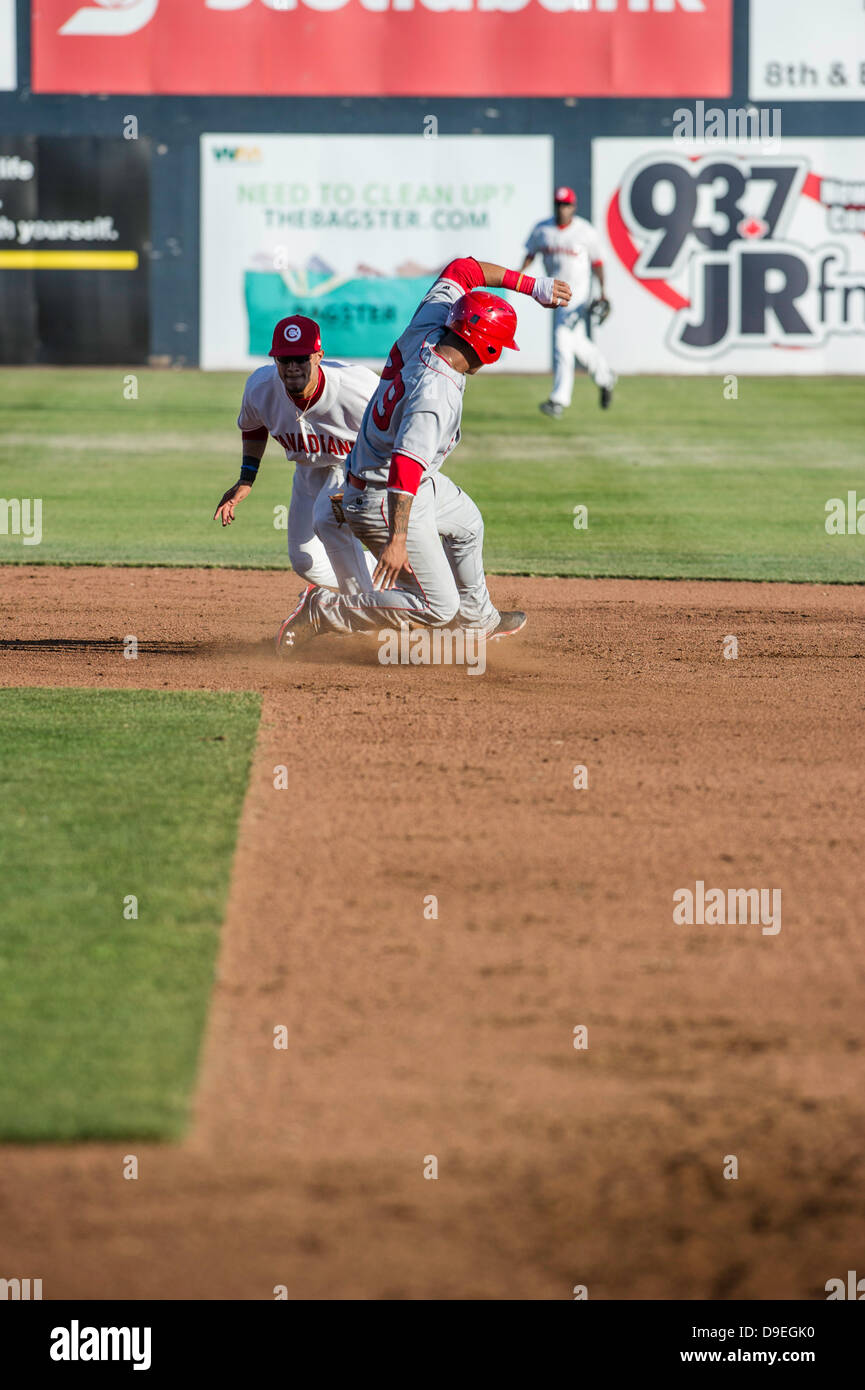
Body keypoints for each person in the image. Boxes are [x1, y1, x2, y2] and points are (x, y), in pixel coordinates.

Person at [274, 256, 570, 654]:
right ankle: (324, 610)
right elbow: (404, 465)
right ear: (488, 347)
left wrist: (534, 286)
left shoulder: (430, 323)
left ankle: (478, 620)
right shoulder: (436, 393)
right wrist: (397, 538)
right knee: (436, 606)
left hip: (398, 478)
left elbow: (464, 269)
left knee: (467, 524)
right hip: (384, 494)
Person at [213, 314, 377, 597]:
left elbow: (397, 431)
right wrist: (246, 479)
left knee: (332, 527)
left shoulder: (358, 389)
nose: (292, 367)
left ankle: (367, 608)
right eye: (283, 359)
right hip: (308, 471)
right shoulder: (260, 388)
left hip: (353, 467)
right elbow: (253, 426)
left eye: (300, 358)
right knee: (305, 561)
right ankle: (380, 583)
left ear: (318, 356)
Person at [521, 185, 616, 415]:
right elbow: (530, 254)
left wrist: (603, 291)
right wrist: (518, 278)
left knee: (562, 340)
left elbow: (598, 263)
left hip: (578, 296)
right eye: (558, 204)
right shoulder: (542, 230)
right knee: (577, 343)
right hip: (555, 293)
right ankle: (605, 376)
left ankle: (559, 400)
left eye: (566, 204)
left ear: (573, 206)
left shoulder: (585, 231)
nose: (562, 208)